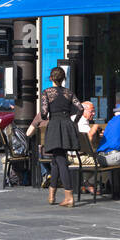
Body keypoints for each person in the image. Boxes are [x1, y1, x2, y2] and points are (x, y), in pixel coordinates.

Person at [35, 66, 83, 207]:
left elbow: (43, 113)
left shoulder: (47, 92)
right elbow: (80, 108)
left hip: (55, 126)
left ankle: (69, 196)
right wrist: (73, 122)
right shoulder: (68, 92)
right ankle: (52, 195)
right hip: (67, 124)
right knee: (56, 161)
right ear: (63, 79)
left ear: (51, 78)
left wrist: (48, 114)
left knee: (61, 161)